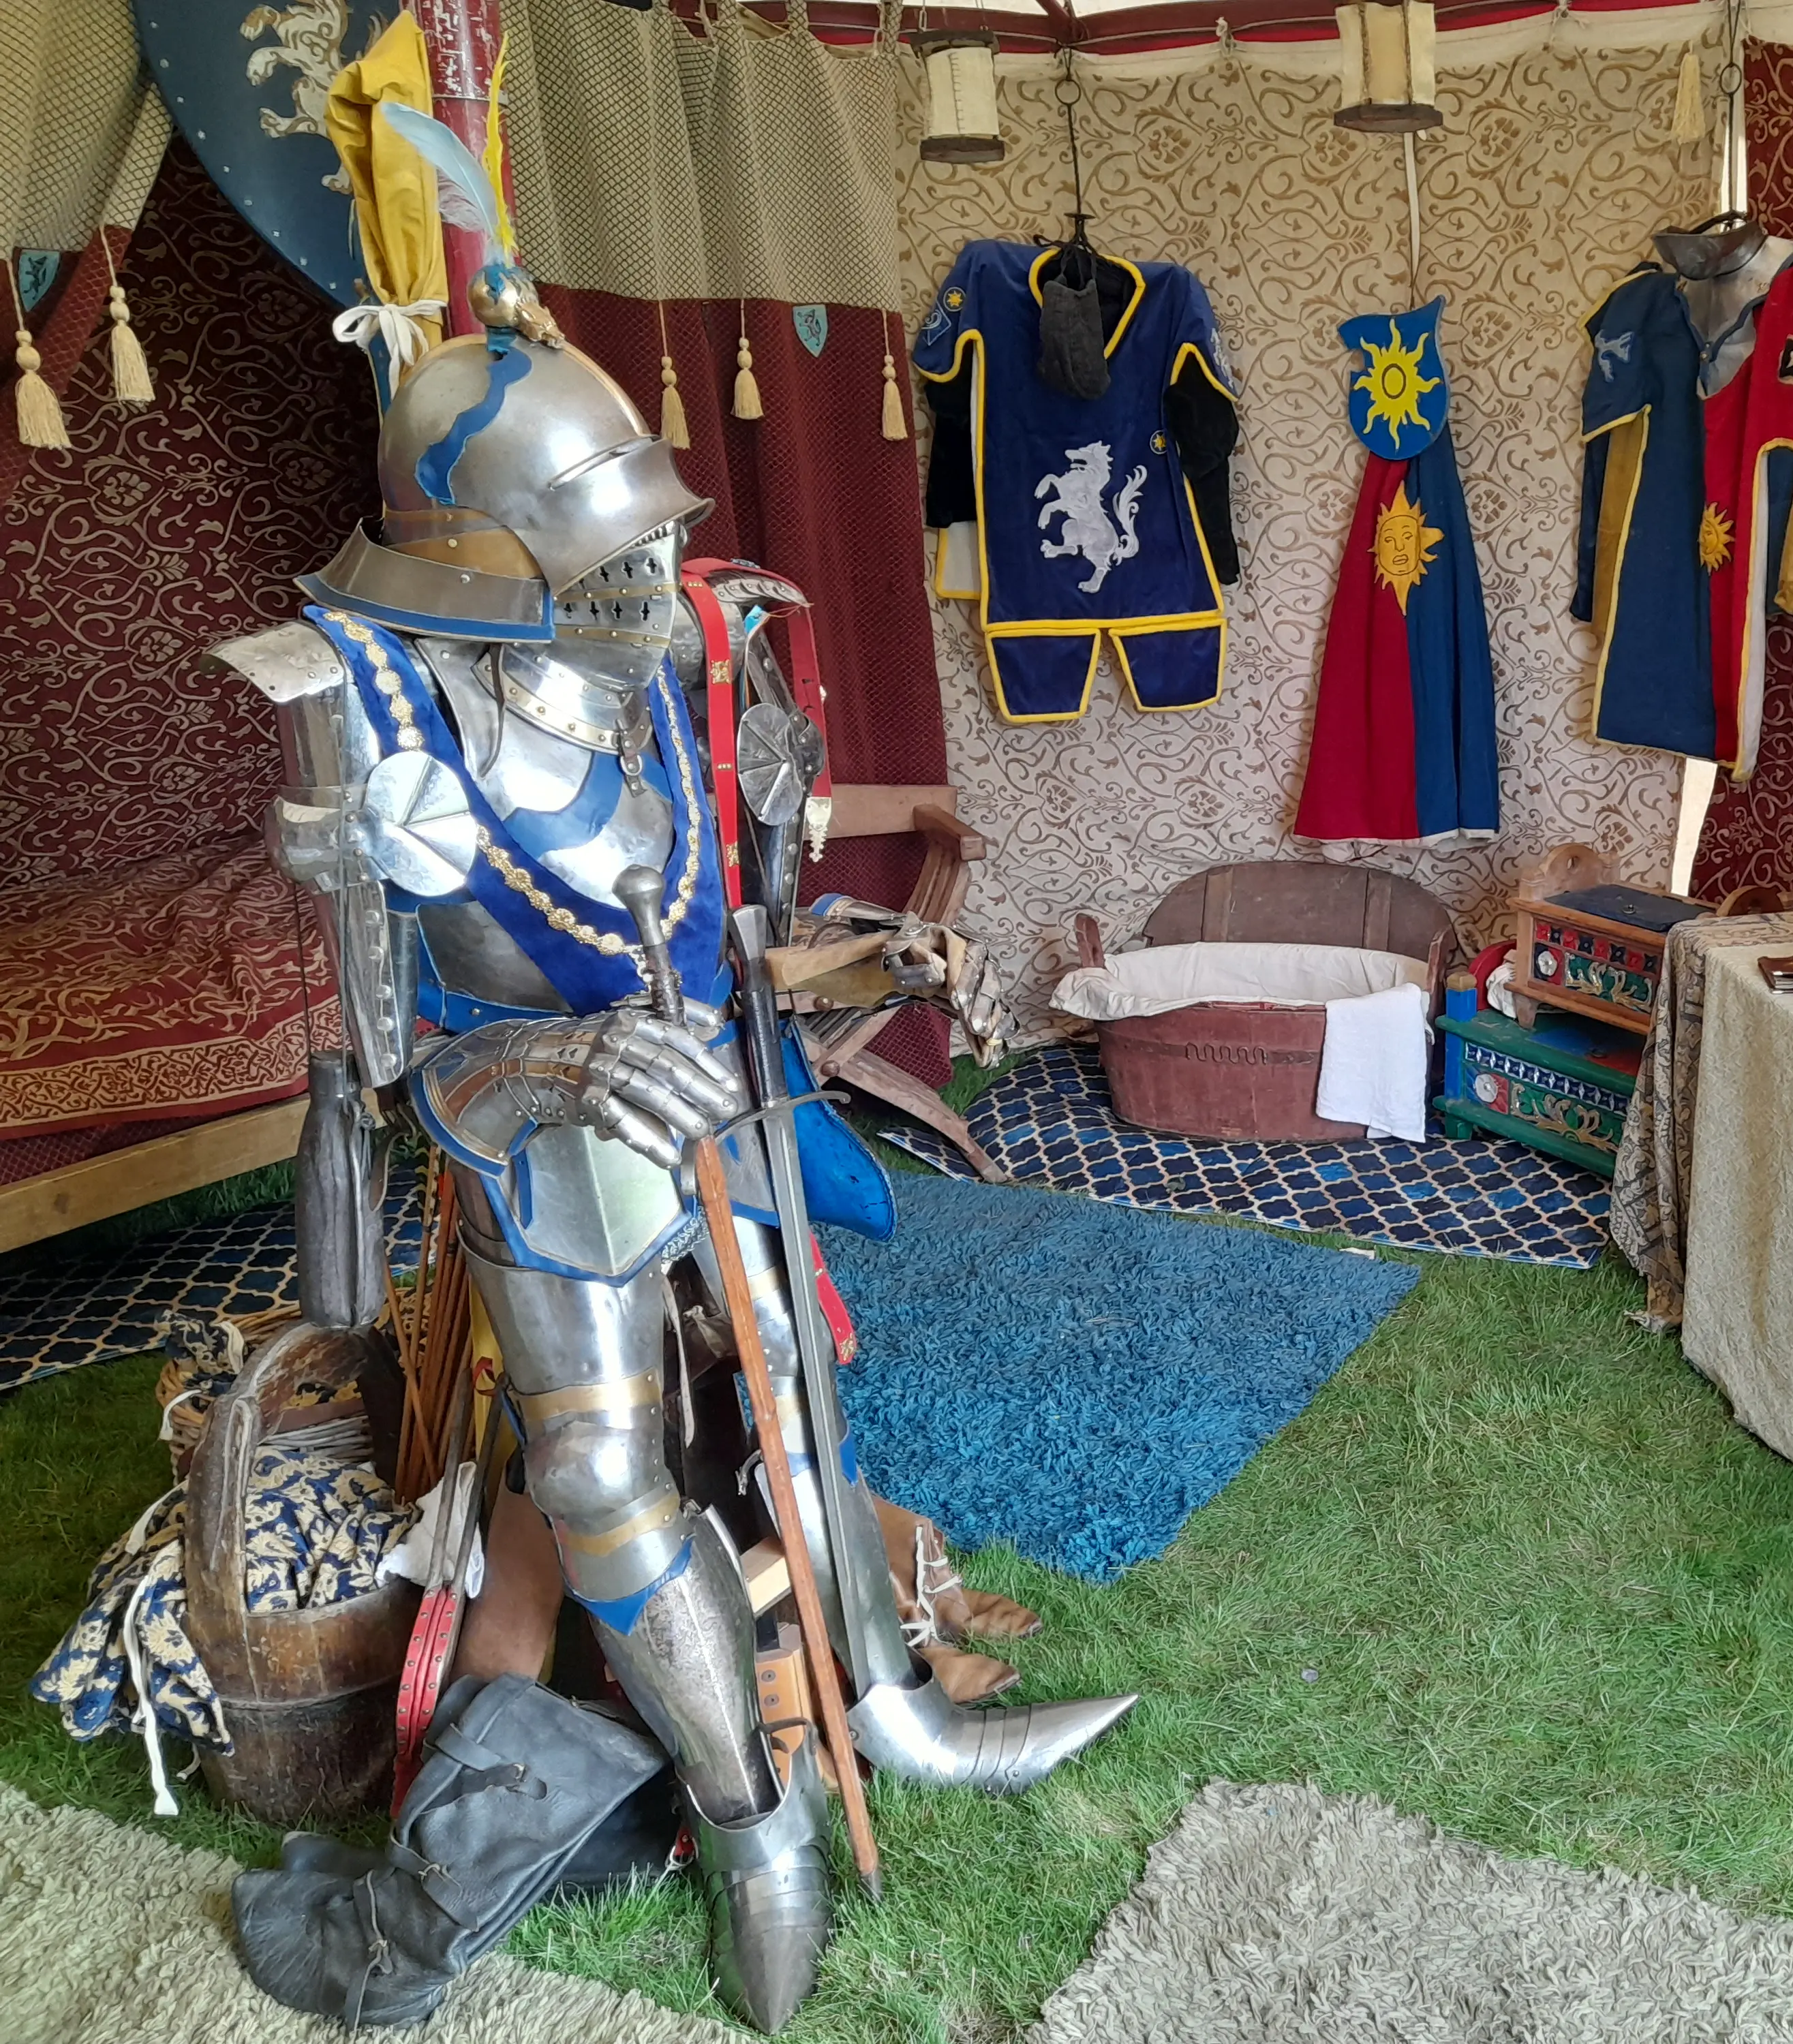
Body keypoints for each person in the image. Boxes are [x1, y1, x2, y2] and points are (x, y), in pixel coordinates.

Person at [212, 266, 1131, 2031]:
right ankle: (757, 1827)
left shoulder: (664, 654)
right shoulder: (368, 703)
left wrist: (878, 956)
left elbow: (721, 912)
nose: (642, 572)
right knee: (610, 1490)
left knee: (798, 1380)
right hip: (536, 1140)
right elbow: (398, 1061)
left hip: (712, 1086)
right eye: (594, 534)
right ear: (478, 545)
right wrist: (568, 1057)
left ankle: (896, 1713)